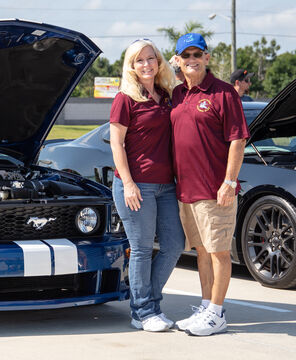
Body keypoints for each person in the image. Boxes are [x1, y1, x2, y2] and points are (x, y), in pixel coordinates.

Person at [171, 33, 249, 336]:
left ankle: (217, 314)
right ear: (177, 60)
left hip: (215, 191)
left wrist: (229, 182)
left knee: (218, 253)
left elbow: (238, 140)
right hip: (186, 191)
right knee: (201, 251)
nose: (192, 60)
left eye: (197, 54)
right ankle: (206, 307)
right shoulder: (178, 94)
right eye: (185, 55)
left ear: (207, 58)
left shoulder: (224, 93)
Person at [109, 39, 185, 332]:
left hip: (166, 185)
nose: (146, 64)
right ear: (131, 66)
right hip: (136, 185)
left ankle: (150, 303)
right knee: (141, 249)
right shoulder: (124, 98)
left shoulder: (166, 95)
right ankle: (141, 312)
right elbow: (116, 143)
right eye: (139, 60)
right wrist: (128, 183)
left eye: (151, 59)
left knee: (174, 245)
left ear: (159, 62)